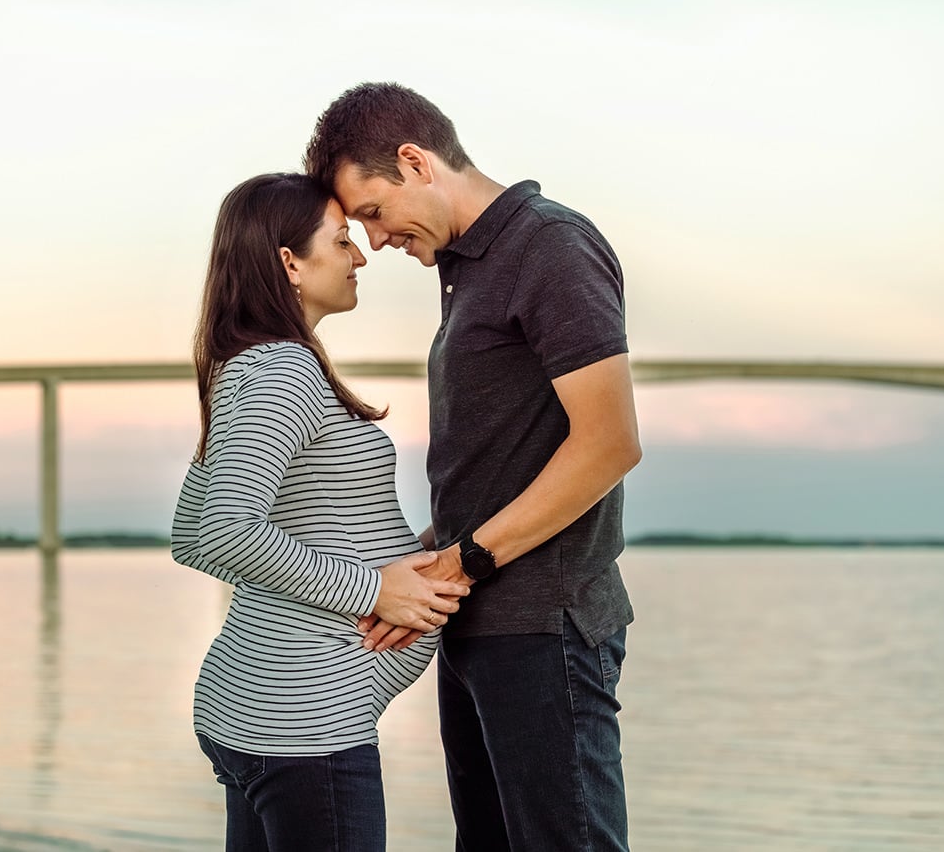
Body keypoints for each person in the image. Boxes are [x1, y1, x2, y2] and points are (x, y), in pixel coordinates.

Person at [304, 83, 643, 851]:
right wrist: (425, 564)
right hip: (479, 620)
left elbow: (610, 442)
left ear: (415, 162)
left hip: (543, 623)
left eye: (374, 214)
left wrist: (464, 561)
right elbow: (501, 457)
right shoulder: (465, 268)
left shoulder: (549, 245)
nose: (377, 240)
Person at [170, 172, 471, 852]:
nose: (361, 254)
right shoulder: (282, 372)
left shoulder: (248, 367)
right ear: (289, 263)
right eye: (340, 241)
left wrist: (419, 552)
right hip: (304, 729)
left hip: (260, 712)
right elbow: (221, 532)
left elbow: (190, 533)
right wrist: (377, 588)